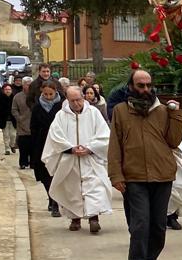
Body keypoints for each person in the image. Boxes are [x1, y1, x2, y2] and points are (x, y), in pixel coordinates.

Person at [107, 69, 182, 260]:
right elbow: (114, 146)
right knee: (140, 223)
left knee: (158, 225)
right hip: (134, 177)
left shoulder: (162, 111)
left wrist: (176, 115)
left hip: (162, 176)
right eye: (141, 85)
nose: (145, 90)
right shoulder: (121, 111)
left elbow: (173, 141)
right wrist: (116, 175)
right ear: (131, 86)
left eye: (149, 85)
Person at [43, 85, 112, 234]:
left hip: (90, 159)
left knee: (94, 188)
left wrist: (90, 148)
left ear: (83, 98)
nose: (76, 103)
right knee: (72, 190)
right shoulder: (61, 116)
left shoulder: (93, 113)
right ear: (67, 100)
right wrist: (71, 148)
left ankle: (94, 218)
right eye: (72, 100)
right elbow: (55, 137)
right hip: (70, 160)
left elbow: (104, 135)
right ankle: (75, 219)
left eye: (78, 100)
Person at [30, 80, 63, 215]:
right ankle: (50, 196)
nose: (48, 97)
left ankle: (55, 202)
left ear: (56, 92)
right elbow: (33, 127)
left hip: (58, 144)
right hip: (41, 143)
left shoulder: (62, 106)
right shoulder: (37, 107)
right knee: (44, 173)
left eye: (51, 94)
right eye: (46, 94)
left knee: (56, 172)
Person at [12, 80, 34, 171]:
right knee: (23, 146)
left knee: (33, 147)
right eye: (27, 84)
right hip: (22, 125)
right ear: (23, 85)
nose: (28, 86)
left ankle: (33, 163)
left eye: (30, 84)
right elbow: (14, 109)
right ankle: (23, 163)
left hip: (33, 124)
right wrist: (19, 118)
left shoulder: (35, 96)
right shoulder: (17, 97)